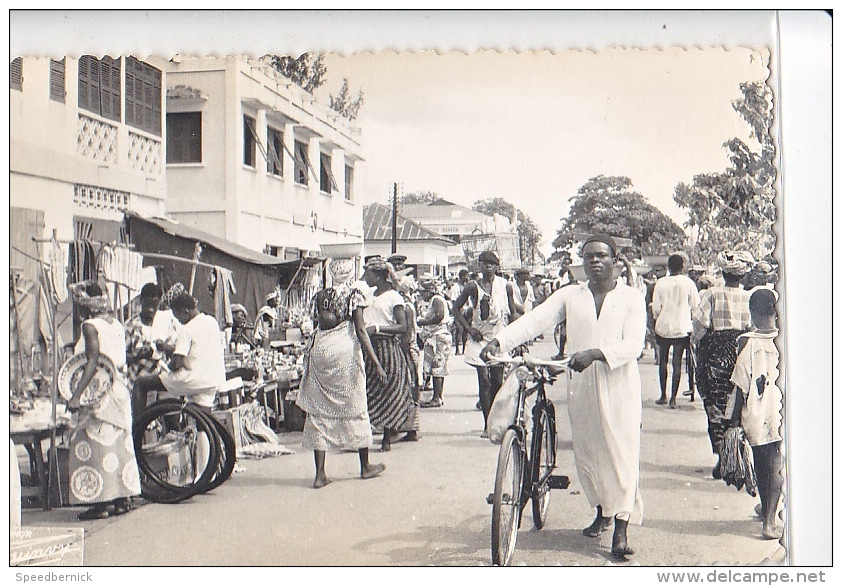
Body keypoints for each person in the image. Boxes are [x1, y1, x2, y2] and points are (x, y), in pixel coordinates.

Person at [480, 234, 646, 560]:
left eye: (601, 255)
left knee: (622, 452)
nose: (595, 261)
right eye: (588, 256)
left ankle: (622, 528)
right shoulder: (571, 295)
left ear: (615, 259)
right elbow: (536, 319)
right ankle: (602, 510)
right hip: (581, 384)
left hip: (619, 384)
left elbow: (634, 345)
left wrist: (597, 353)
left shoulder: (631, 298)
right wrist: (500, 342)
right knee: (589, 451)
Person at [295, 258, 387, 488]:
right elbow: (361, 330)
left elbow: (317, 322)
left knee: (319, 412)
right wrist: (375, 362)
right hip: (344, 352)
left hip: (321, 350)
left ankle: (320, 475)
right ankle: (365, 466)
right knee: (355, 406)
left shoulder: (322, 295)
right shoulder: (354, 294)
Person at [66, 282, 141, 520]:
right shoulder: (115, 323)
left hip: (99, 391)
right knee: (118, 444)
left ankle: (100, 504)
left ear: (85, 305)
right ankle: (121, 499)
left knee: (94, 444)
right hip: (119, 387)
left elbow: (92, 360)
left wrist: (77, 394)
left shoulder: (90, 326)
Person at [724, 288, 783, 540]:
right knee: (778, 463)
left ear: (752, 312)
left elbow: (740, 385)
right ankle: (768, 515)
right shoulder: (786, 339)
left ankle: (767, 517)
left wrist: (732, 421)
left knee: (763, 464)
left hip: (758, 412)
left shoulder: (747, 342)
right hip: (780, 410)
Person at [691, 250, 754, 480]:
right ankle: (737, 458)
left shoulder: (712, 294)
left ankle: (723, 456)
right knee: (739, 405)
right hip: (742, 353)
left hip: (717, 355)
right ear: (742, 275)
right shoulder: (749, 297)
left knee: (716, 406)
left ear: (723, 272)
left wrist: (696, 343)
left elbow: (699, 324)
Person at [451, 250, 518, 437]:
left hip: (498, 338)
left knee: (497, 381)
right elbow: (455, 308)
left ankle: (497, 421)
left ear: (497, 267)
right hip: (478, 338)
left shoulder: (506, 286)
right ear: (479, 266)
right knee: (485, 382)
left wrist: (514, 337)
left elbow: (512, 312)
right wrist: (468, 329)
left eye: (491, 264)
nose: (487, 267)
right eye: (484, 264)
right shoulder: (472, 287)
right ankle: (487, 425)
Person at [132, 293, 226, 418]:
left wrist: (167, 366)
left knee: (140, 383)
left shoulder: (187, 329)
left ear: (185, 312)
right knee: (203, 421)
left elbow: (176, 364)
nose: (179, 322)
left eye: (179, 317)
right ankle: (205, 435)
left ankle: (138, 428)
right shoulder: (212, 322)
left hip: (192, 380)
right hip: (212, 380)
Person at [361, 256, 419, 451]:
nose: (365, 278)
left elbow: (402, 326)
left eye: (368, 274)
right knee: (370, 389)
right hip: (368, 346)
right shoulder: (368, 295)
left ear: (378, 276)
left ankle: (387, 436)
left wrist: (377, 328)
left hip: (386, 348)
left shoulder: (395, 297)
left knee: (388, 391)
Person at [652, 253, 701, 408]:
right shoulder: (688, 283)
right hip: (682, 327)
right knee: (677, 362)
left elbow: (656, 309)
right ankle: (673, 399)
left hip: (663, 327)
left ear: (668, 266)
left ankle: (663, 395)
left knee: (663, 362)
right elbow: (695, 306)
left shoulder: (660, 283)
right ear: (683, 267)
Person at [125, 283, 179, 392]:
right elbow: (122, 357)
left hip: (162, 382)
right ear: (141, 301)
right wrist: (139, 357)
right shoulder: (132, 325)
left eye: (154, 306)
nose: (150, 310)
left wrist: (165, 347)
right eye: (147, 305)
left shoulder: (165, 322)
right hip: (138, 386)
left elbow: (177, 351)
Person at [417, 279, 452, 408]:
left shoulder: (437, 299)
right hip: (434, 337)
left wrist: (422, 322)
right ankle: (437, 396)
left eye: (423, 293)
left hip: (439, 337)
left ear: (428, 291)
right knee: (435, 367)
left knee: (438, 367)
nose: (422, 295)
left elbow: (439, 316)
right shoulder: (433, 300)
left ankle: (437, 397)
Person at [449, 269, 471, 355]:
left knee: (465, 331)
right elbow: (454, 303)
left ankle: (464, 349)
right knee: (459, 330)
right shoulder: (455, 288)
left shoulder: (466, 287)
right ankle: (457, 349)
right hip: (459, 312)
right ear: (462, 277)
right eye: (466, 276)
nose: (468, 278)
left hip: (466, 311)